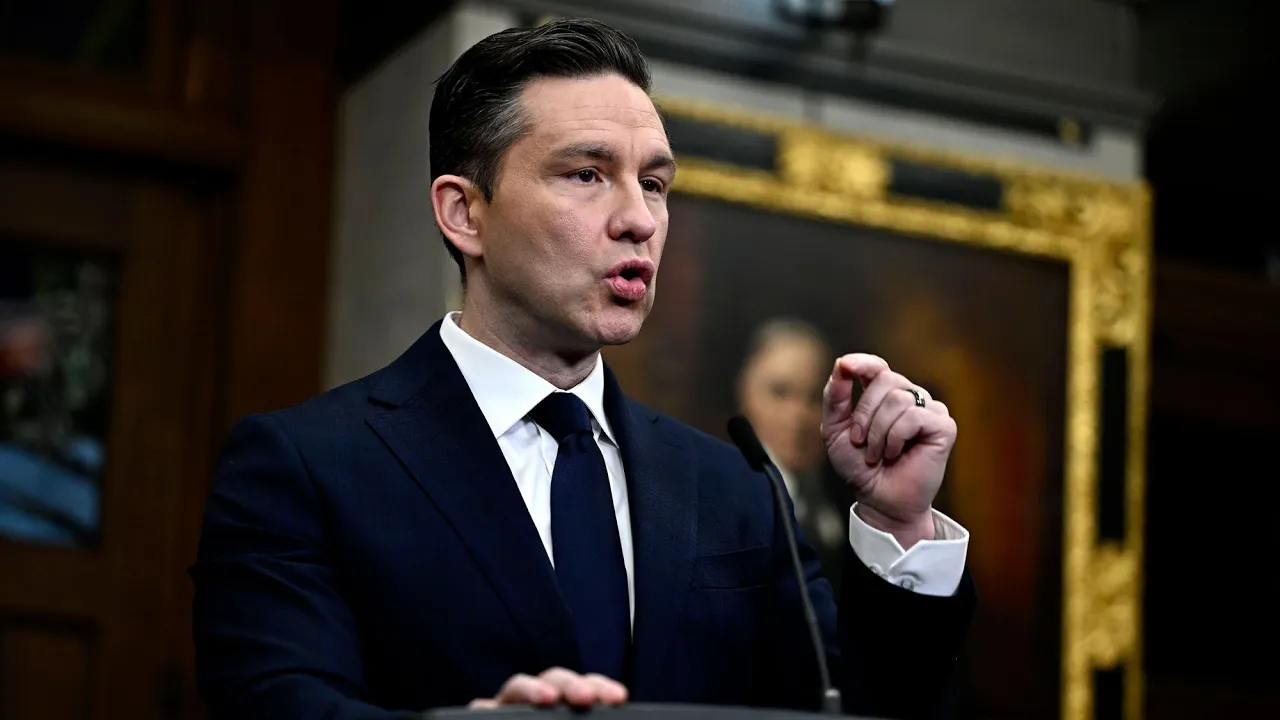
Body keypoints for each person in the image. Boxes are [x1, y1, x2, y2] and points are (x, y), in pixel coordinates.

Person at [190, 18, 975, 720]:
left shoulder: (735, 490)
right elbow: (277, 699)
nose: (638, 219)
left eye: (654, 184)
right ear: (464, 213)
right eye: (586, 175)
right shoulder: (307, 466)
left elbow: (859, 709)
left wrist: (899, 524)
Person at [736, 318, 850, 593]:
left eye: (815, 398)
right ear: (745, 392)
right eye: (780, 393)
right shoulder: (723, 498)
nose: (798, 416)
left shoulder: (850, 497)